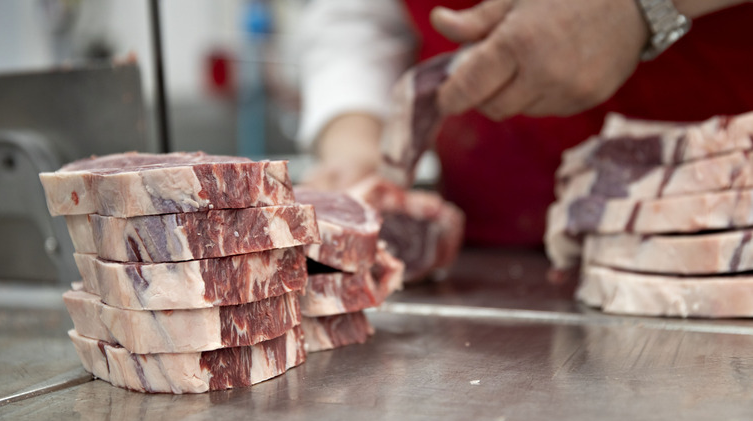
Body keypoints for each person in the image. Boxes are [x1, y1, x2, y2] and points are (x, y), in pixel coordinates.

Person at [296, 0, 753, 247]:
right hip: (488, 242)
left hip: (718, 227)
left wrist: (641, 7)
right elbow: (360, 18)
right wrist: (355, 145)